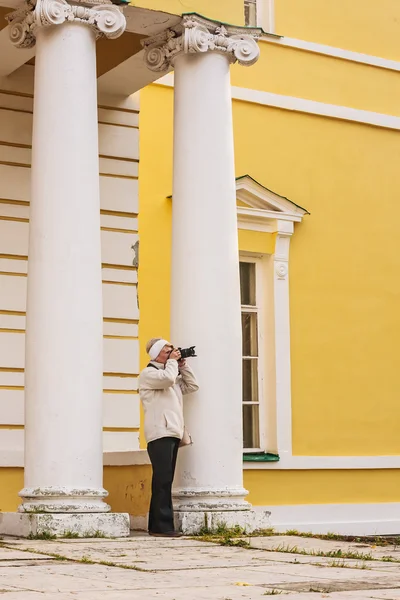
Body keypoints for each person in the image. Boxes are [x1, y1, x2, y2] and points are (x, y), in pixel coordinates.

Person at [139, 338, 199, 538]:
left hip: (172, 432)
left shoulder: (170, 373)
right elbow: (167, 379)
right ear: (156, 355)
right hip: (159, 433)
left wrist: (183, 365)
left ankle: (159, 526)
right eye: (167, 352)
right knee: (162, 480)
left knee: (165, 480)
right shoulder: (149, 374)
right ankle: (161, 526)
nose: (172, 354)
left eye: (173, 351)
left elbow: (191, 385)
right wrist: (173, 364)